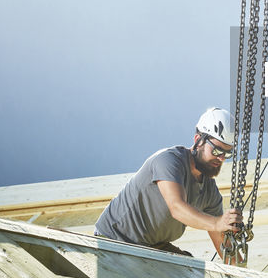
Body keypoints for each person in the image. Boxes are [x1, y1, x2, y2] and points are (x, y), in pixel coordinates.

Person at [95, 107, 243, 258]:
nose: (222, 158)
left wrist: (242, 268)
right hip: (114, 240)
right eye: (217, 151)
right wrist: (217, 223)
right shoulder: (168, 161)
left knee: (192, 273)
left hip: (152, 246)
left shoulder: (210, 192)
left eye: (227, 153)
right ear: (198, 140)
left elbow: (224, 245)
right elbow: (177, 207)